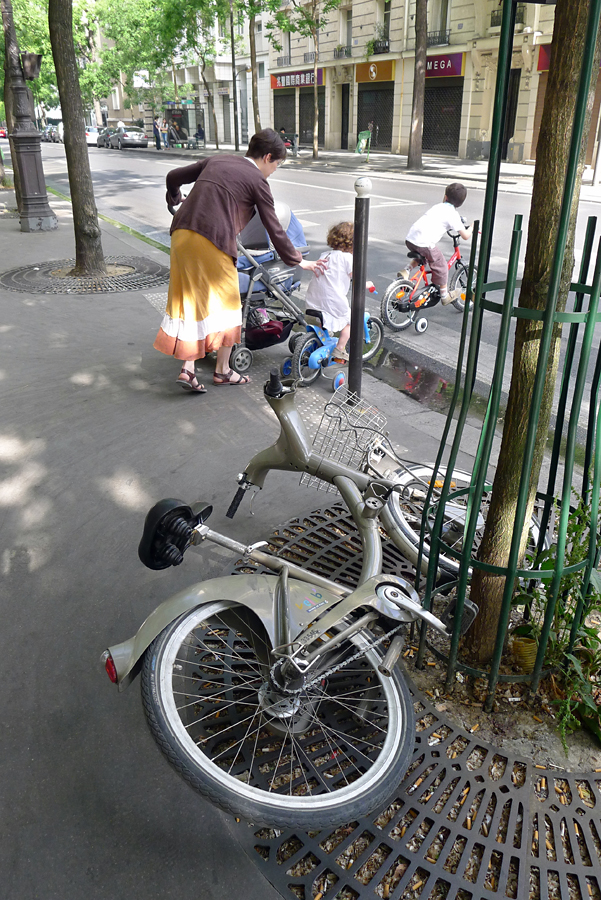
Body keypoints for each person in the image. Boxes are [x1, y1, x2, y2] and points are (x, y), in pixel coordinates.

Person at [154, 128, 322, 392]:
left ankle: (188, 370)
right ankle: (222, 371)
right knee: (229, 307)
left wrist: (174, 198)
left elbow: (173, 177)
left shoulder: (218, 160)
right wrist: (297, 260)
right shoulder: (258, 181)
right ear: (267, 157)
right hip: (213, 239)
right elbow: (274, 227)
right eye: (276, 164)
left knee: (189, 299)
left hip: (181, 233)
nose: (274, 170)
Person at [304, 221, 374, 362]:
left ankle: (320, 340)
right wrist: (367, 284)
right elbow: (358, 279)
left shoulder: (325, 254)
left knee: (325, 318)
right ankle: (340, 350)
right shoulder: (348, 258)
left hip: (313, 299)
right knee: (352, 320)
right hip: (332, 301)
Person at [401, 182, 473, 305]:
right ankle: (445, 295)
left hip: (411, 238)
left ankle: (406, 270)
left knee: (425, 256)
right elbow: (465, 236)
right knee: (442, 266)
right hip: (424, 243)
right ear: (461, 203)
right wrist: (473, 227)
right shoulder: (453, 215)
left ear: (445, 197)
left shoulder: (437, 206)